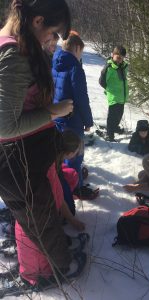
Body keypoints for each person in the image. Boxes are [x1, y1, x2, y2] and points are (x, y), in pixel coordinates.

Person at [0, 0, 77, 279]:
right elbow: (5, 126)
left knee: (35, 219)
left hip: (24, 157)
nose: (52, 39)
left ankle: (47, 264)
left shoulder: (11, 43)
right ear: (37, 21)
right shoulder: (14, 55)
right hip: (18, 160)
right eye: (53, 32)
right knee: (37, 223)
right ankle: (51, 272)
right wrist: (52, 112)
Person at [15, 130, 86, 286]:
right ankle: (37, 275)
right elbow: (58, 199)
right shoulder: (49, 169)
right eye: (76, 152)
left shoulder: (50, 159)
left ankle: (45, 262)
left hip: (31, 210)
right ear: (67, 152)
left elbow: (59, 198)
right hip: (36, 218)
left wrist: (71, 220)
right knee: (38, 236)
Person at [52, 32, 99, 199]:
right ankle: (76, 188)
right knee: (75, 155)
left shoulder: (54, 62)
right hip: (73, 119)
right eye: (81, 52)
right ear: (77, 47)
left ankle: (66, 180)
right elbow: (81, 97)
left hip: (57, 117)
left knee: (62, 152)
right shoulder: (75, 68)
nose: (81, 56)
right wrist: (88, 120)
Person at [99, 45, 129, 142]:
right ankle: (109, 134)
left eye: (122, 58)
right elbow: (101, 81)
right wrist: (109, 90)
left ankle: (114, 127)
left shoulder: (123, 67)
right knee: (112, 116)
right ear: (113, 55)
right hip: (114, 97)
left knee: (119, 115)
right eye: (118, 57)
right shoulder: (110, 68)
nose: (120, 60)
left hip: (122, 97)